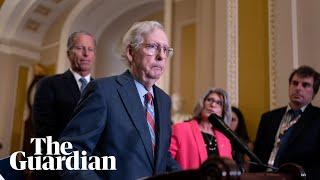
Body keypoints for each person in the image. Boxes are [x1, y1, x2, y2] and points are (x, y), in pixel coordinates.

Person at [58, 21, 180, 179]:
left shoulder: (164, 101)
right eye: (152, 47)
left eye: (165, 50)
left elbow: (162, 157)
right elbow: (71, 152)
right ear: (131, 52)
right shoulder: (103, 91)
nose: (161, 56)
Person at [253, 65, 320, 180]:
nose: (298, 88)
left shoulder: (317, 119)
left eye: (305, 85)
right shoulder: (268, 118)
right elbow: (257, 154)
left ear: (314, 92)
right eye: (295, 83)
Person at [32, 31, 95, 141]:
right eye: (80, 48)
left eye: (90, 49)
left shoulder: (101, 89)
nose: (86, 54)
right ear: (68, 53)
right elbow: (44, 131)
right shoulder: (49, 84)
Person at [169, 88, 233, 170]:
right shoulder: (181, 129)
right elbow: (167, 160)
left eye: (219, 103)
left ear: (223, 112)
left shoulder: (225, 140)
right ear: (202, 104)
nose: (213, 105)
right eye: (209, 100)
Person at [230, 106, 253, 172]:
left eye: (233, 120)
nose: (229, 123)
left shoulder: (247, 144)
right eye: (227, 119)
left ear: (239, 122)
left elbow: (246, 170)